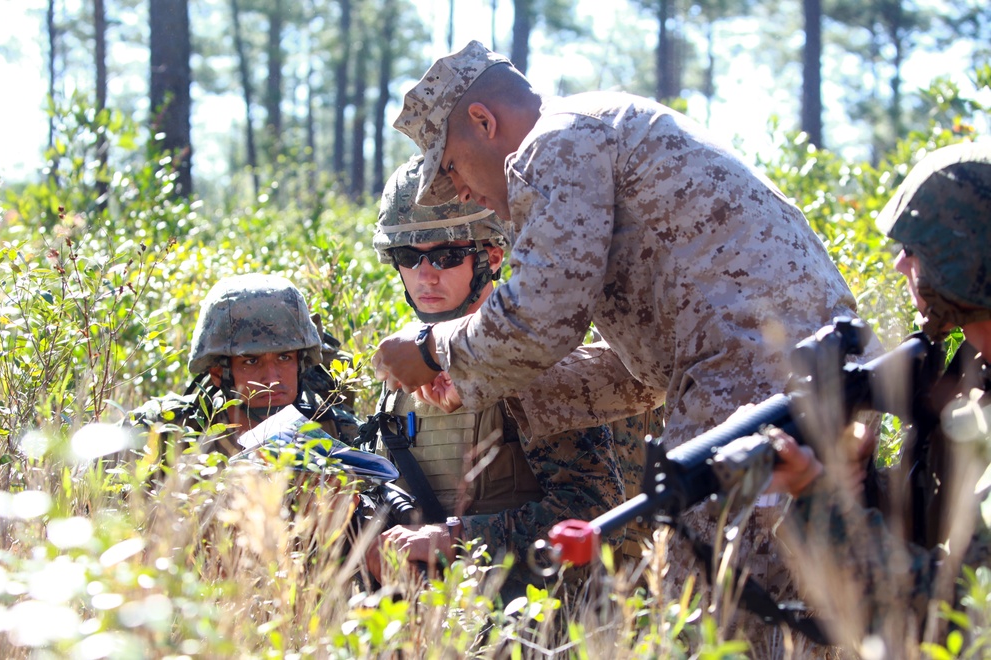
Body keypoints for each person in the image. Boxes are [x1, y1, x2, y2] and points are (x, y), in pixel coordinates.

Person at [370, 40, 875, 651]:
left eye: (451, 167)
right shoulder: (601, 131)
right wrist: (504, 393)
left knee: (719, 615)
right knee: (781, 610)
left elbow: (537, 320)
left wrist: (430, 351)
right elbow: (645, 371)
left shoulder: (554, 143)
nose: (462, 191)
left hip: (748, 384)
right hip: (794, 374)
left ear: (484, 121)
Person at [362, 156, 625, 597]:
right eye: (408, 256)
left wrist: (454, 539)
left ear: (492, 256)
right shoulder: (397, 377)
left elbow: (596, 517)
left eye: (446, 256)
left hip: (533, 626)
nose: (425, 275)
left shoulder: (537, 363)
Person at [767, 142, 991, 648]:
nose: (898, 266)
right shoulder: (972, 374)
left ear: (963, 257)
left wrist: (815, 498)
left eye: (912, 251)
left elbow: (951, 615)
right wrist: (860, 483)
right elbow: (940, 534)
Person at [128, 273, 360, 459]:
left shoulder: (338, 432)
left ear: (300, 363)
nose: (272, 378)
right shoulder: (166, 431)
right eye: (251, 361)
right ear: (218, 373)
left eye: (284, 358)